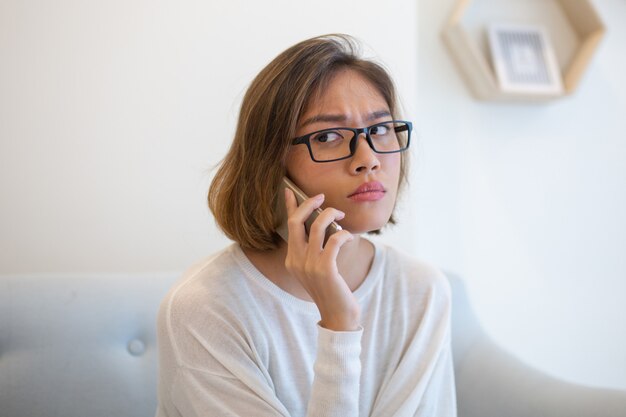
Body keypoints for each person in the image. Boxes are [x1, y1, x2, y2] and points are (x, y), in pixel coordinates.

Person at [155, 34, 456, 417]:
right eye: (328, 136)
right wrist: (339, 327)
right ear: (272, 164)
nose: (368, 159)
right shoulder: (205, 308)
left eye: (380, 130)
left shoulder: (421, 291)